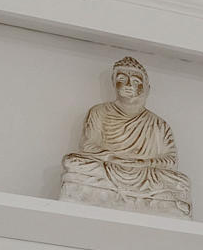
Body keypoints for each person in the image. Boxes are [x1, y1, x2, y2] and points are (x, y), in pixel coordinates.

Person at [58, 55, 192, 216]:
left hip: (145, 174)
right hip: (108, 166)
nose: (129, 85)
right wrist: (113, 158)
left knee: (181, 182)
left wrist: (140, 162)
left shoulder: (159, 124)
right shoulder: (99, 112)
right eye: (123, 79)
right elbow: (88, 145)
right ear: (114, 84)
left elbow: (170, 161)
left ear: (147, 88)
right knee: (73, 162)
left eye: (136, 81)